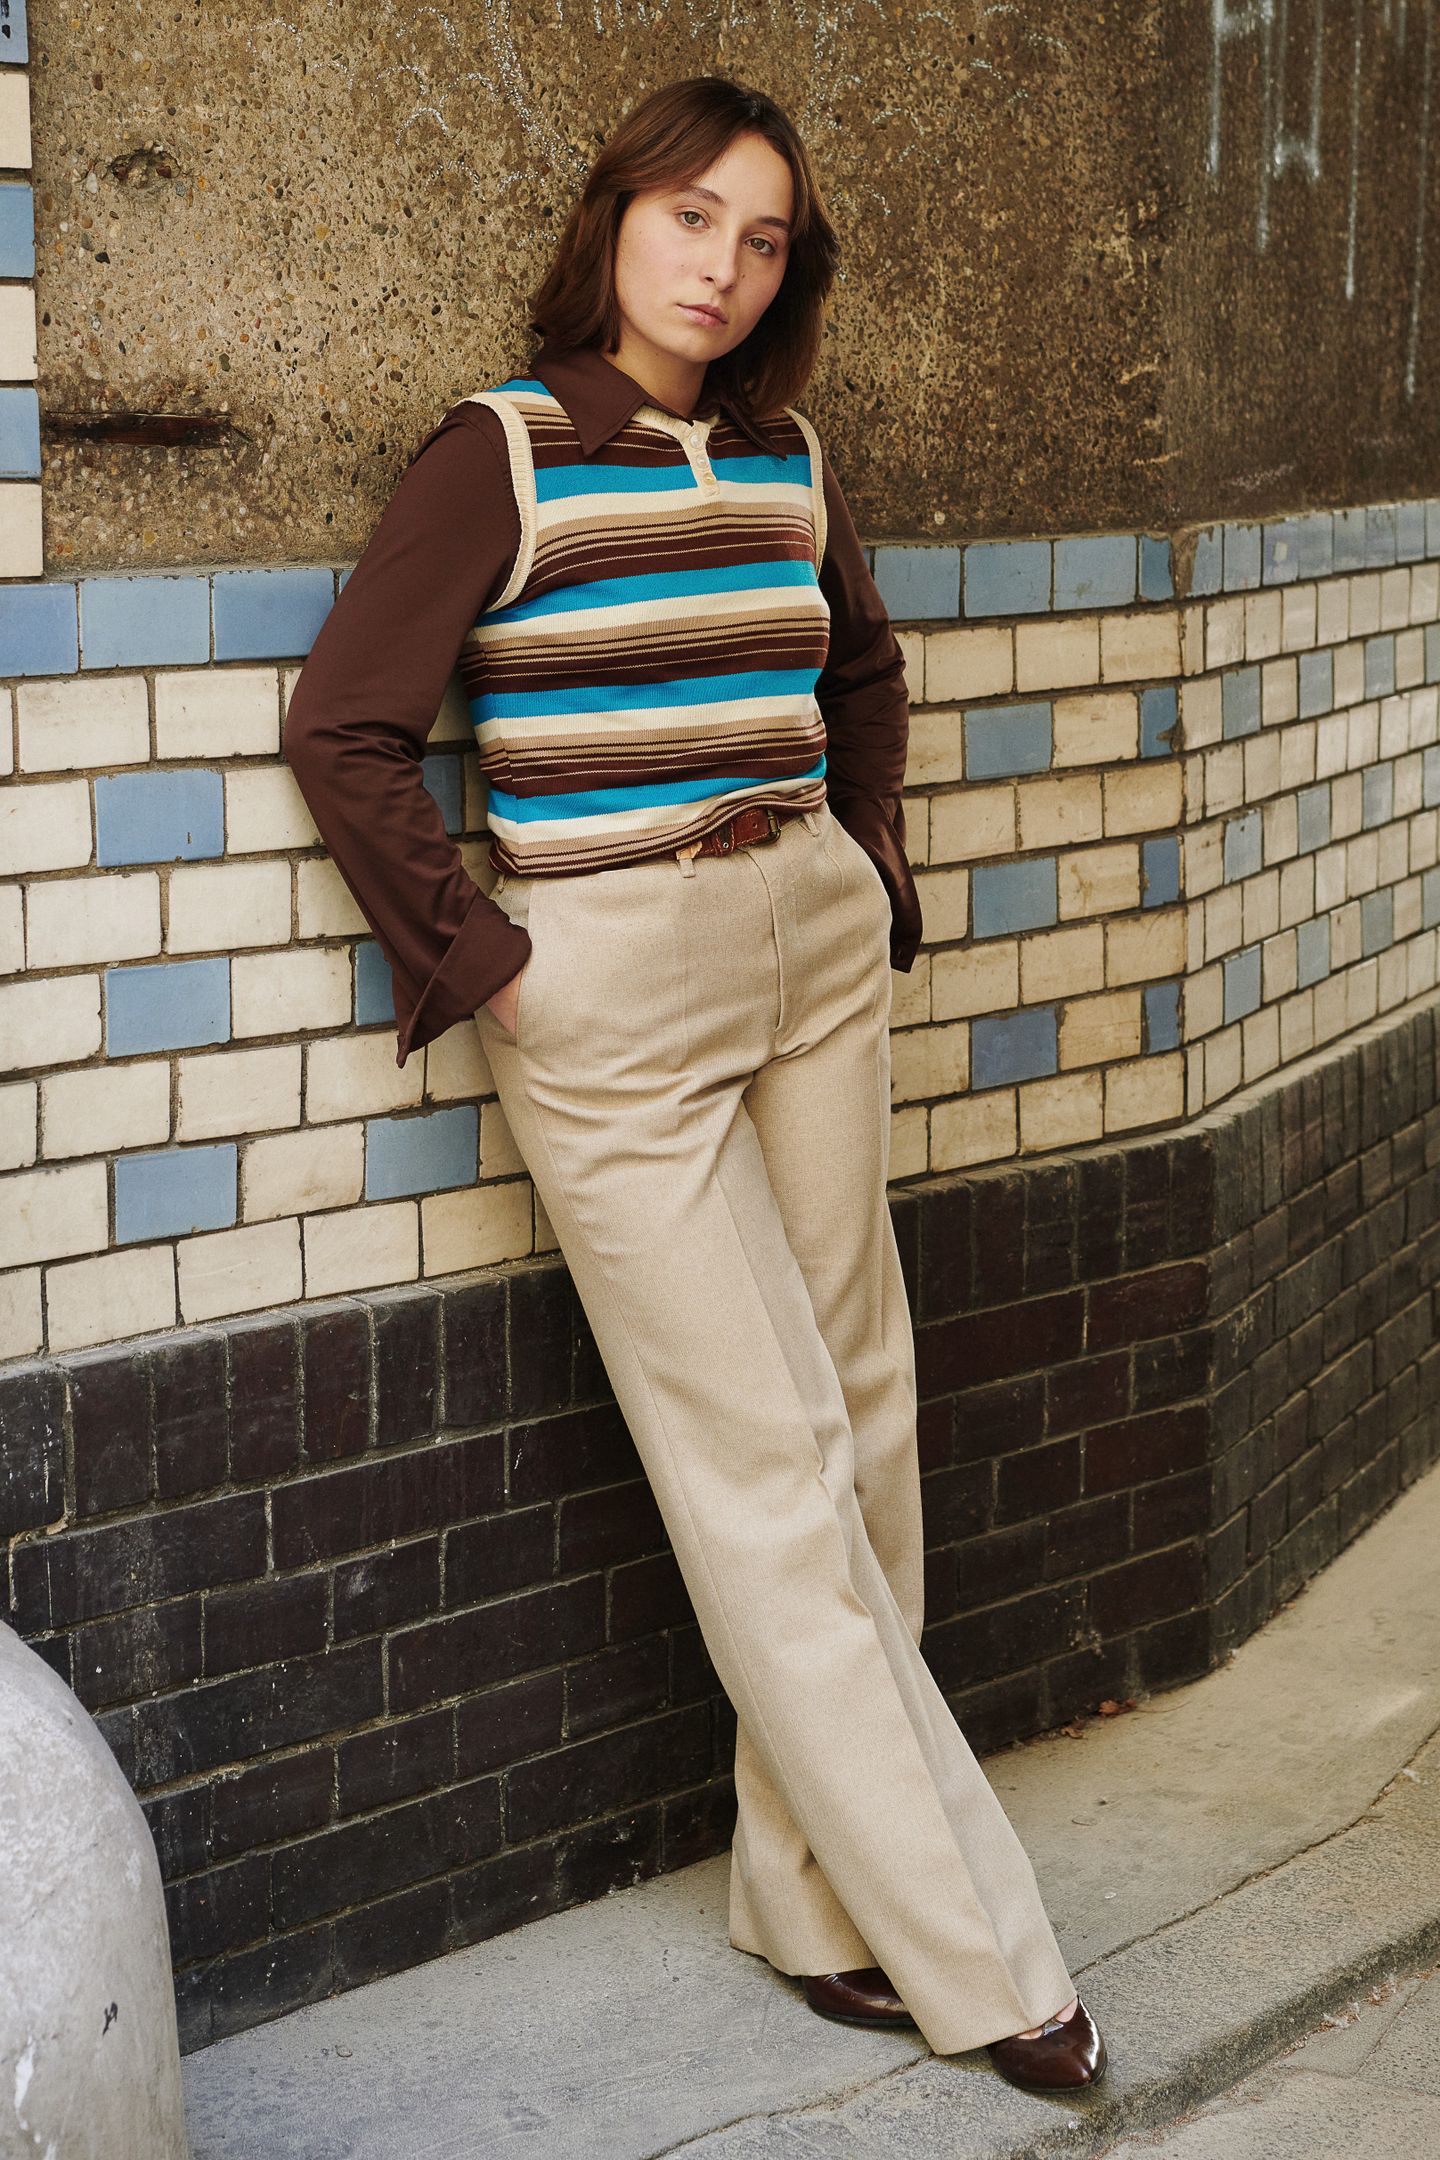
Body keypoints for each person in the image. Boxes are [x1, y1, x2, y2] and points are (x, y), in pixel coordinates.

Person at [283, 73, 1106, 2093]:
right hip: (612, 981)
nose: (722, 267)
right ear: (615, 219)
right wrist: (493, 967)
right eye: (690, 218)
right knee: (767, 1462)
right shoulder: (502, 451)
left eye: (762, 240)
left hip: (807, 944)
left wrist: (872, 859)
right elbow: (345, 727)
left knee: (865, 1420)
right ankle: (985, 1956)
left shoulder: (787, 457)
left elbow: (862, 672)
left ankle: (814, 1906)